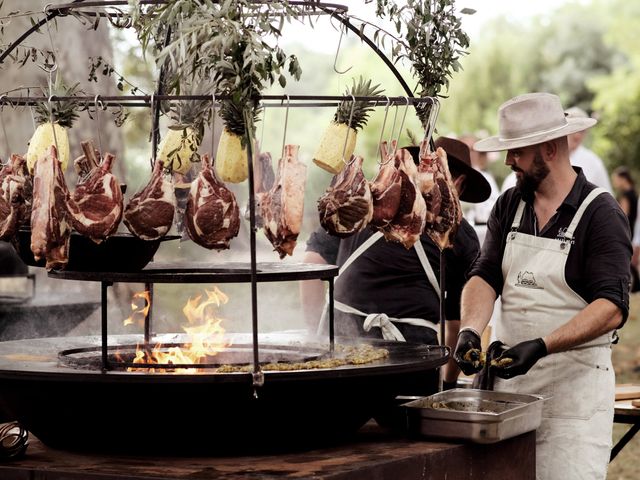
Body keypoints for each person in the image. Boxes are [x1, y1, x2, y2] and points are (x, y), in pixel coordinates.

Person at [454, 92, 631, 480]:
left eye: (516, 151)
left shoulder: (600, 214)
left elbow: (612, 307)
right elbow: (485, 275)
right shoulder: (508, 205)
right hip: (507, 398)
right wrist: (469, 329)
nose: (508, 161)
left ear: (550, 149)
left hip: (573, 401)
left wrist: (542, 345)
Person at [301, 137, 491, 392]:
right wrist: (448, 382)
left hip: (342, 352)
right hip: (411, 360)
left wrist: (317, 337)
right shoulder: (460, 235)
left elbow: (312, 264)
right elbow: (456, 324)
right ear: (459, 184)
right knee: (404, 432)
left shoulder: (366, 202)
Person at [501, 106, 612, 194]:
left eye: (582, 131)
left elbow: (604, 195)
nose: (577, 136)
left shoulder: (593, 162)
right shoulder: (512, 192)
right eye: (575, 131)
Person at [459, 134, 500, 245]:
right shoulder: (449, 177)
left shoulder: (487, 179)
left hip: (481, 233)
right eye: (466, 149)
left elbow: (496, 209)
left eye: (473, 150)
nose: (470, 154)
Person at [611, 166, 639, 291]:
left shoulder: (626, 196)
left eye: (616, 179)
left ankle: (634, 286)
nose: (614, 183)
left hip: (625, 231)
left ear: (623, 179)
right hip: (632, 230)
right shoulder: (634, 193)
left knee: (626, 261)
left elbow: (622, 216)